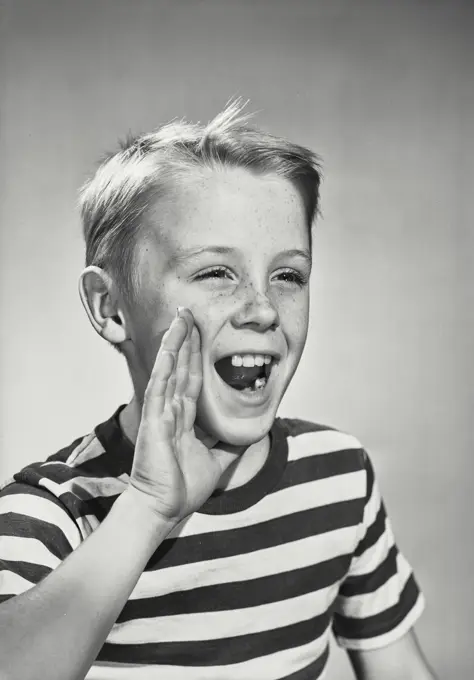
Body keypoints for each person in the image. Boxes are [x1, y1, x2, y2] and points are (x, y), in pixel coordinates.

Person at [0, 102, 437, 680]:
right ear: (110, 308)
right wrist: (148, 509)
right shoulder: (51, 513)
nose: (262, 309)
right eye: (216, 273)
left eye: (289, 276)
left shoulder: (339, 479)